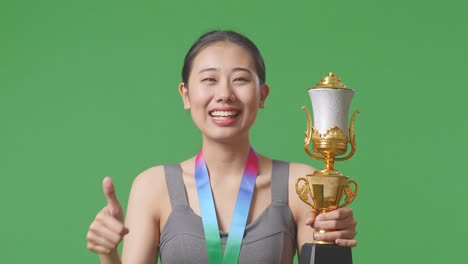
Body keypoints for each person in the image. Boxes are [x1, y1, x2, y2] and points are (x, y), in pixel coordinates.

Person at [86, 30, 358, 264]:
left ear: (262, 95)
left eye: (240, 79)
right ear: (186, 95)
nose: (225, 94)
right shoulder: (152, 187)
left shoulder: (302, 185)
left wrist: (332, 240)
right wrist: (108, 254)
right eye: (209, 80)